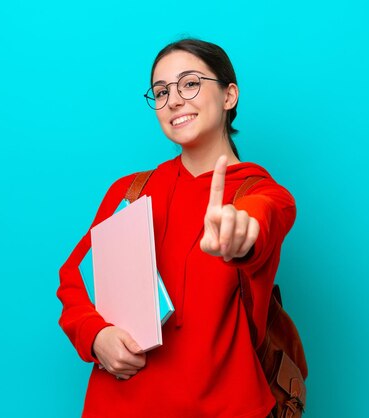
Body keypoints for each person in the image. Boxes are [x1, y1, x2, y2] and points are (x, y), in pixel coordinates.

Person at [57, 38, 297, 418]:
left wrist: (240, 234)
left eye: (190, 83)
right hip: (118, 406)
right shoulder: (129, 192)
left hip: (223, 406)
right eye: (161, 91)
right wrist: (95, 335)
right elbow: (75, 278)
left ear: (229, 95)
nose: (173, 100)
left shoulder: (264, 194)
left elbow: (260, 219)